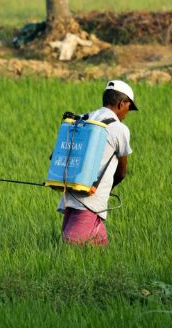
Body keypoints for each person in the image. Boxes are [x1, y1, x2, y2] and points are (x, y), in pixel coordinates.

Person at [57, 80, 137, 246]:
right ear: (122, 103)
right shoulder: (119, 128)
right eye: (128, 108)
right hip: (90, 201)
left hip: (71, 193)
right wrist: (107, 190)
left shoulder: (84, 118)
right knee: (70, 247)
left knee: (99, 249)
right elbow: (122, 172)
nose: (126, 113)